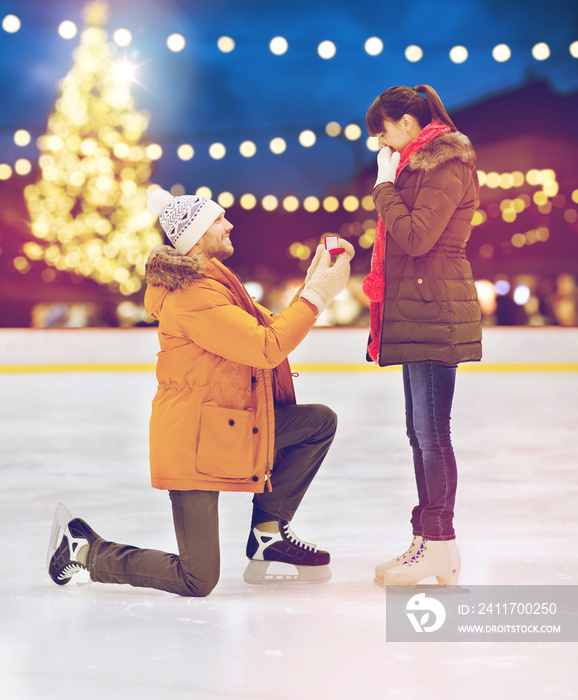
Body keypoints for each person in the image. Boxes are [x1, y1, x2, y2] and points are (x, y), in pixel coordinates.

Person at [47, 188, 353, 596]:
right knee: (198, 577)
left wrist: (315, 280)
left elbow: (271, 327)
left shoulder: (217, 284)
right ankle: (85, 550)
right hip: (193, 440)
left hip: (225, 424)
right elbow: (266, 348)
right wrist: (319, 295)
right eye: (219, 219)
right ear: (195, 235)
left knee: (317, 423)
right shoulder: (192, 296)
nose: (229, 224)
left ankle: (268, 534)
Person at [362, 85, 482, 586]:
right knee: (421, 433)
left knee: (432, 434)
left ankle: (440, 543)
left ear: (407, 124)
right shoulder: (420, 167)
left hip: (435, 310)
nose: (381, 145)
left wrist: (384, 189)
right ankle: (429, 542)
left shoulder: (445, 165)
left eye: (383, 132)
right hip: (420, 308)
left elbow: (415, 238)